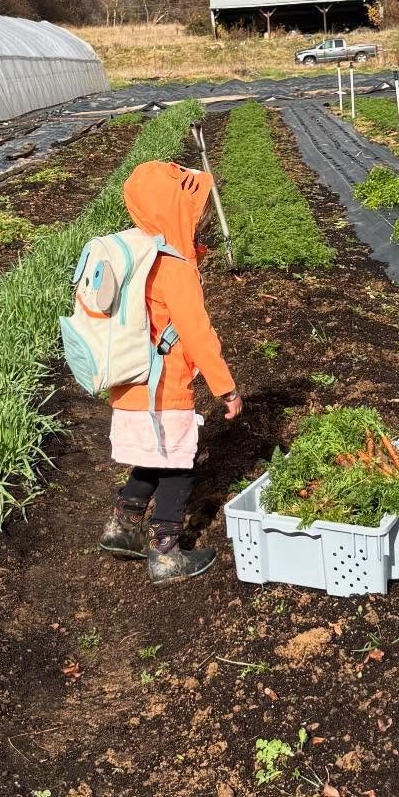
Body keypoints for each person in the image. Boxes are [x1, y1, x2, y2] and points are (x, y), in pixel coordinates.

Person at [100, 159, 243, 584]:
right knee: (179, 464)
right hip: (164, 387)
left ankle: (121, 528)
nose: (197, 216)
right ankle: (165, 551)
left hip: (129, 384)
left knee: (153, 454)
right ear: (174, 210)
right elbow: (198, 334)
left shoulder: (134, 255)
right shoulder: (173, 267)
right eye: (191, 207)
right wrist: (226, 388)